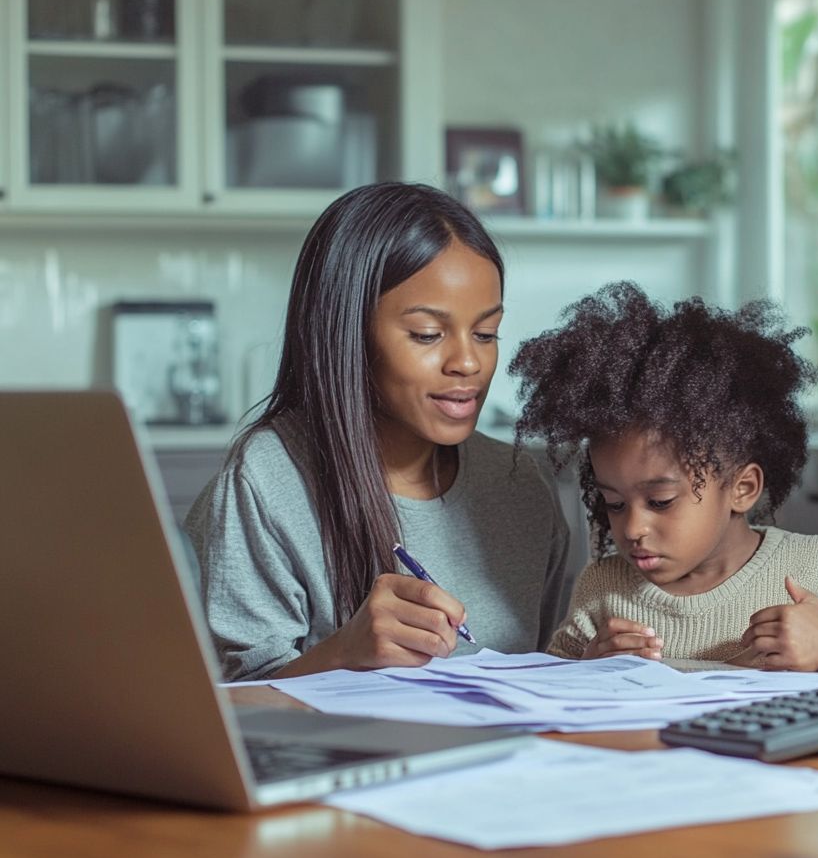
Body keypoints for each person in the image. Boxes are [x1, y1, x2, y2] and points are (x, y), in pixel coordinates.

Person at [186, 182, 570, 681]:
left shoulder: (520, 481)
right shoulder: (265, 481)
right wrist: (344, 651)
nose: (469, 362)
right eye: (428, 335)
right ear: (347, 334)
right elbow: (229, 711)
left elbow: (553, 669)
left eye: (486, 333)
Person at [509, 282, 818, 672]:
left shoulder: (809, 567)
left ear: (742, 489)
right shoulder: (602, 589)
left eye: (660, 501)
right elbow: (548, 687)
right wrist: (587, 666)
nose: (633, 527)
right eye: (615, 504)